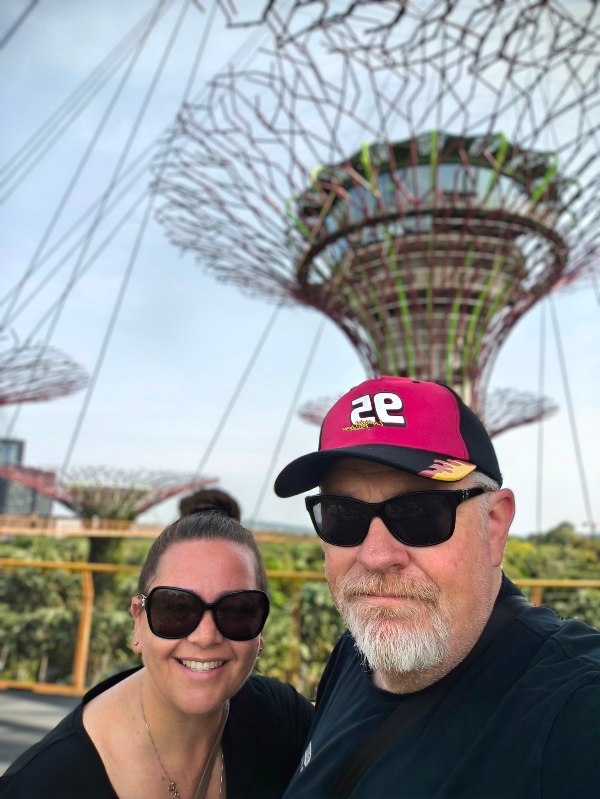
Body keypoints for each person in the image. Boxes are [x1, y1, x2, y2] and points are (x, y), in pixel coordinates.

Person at [274, 375, 600, 799]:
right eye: (342, 514)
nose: (376, 555)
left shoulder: (574, 707)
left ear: (494, 525)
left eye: (420, 512)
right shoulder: (353, 653)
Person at [1, 500, 314, 798]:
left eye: (236, 610)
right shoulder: (41, 786)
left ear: (260, 632)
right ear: (138, 621)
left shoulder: (282, 721)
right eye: (176, 608)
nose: (206, 637)